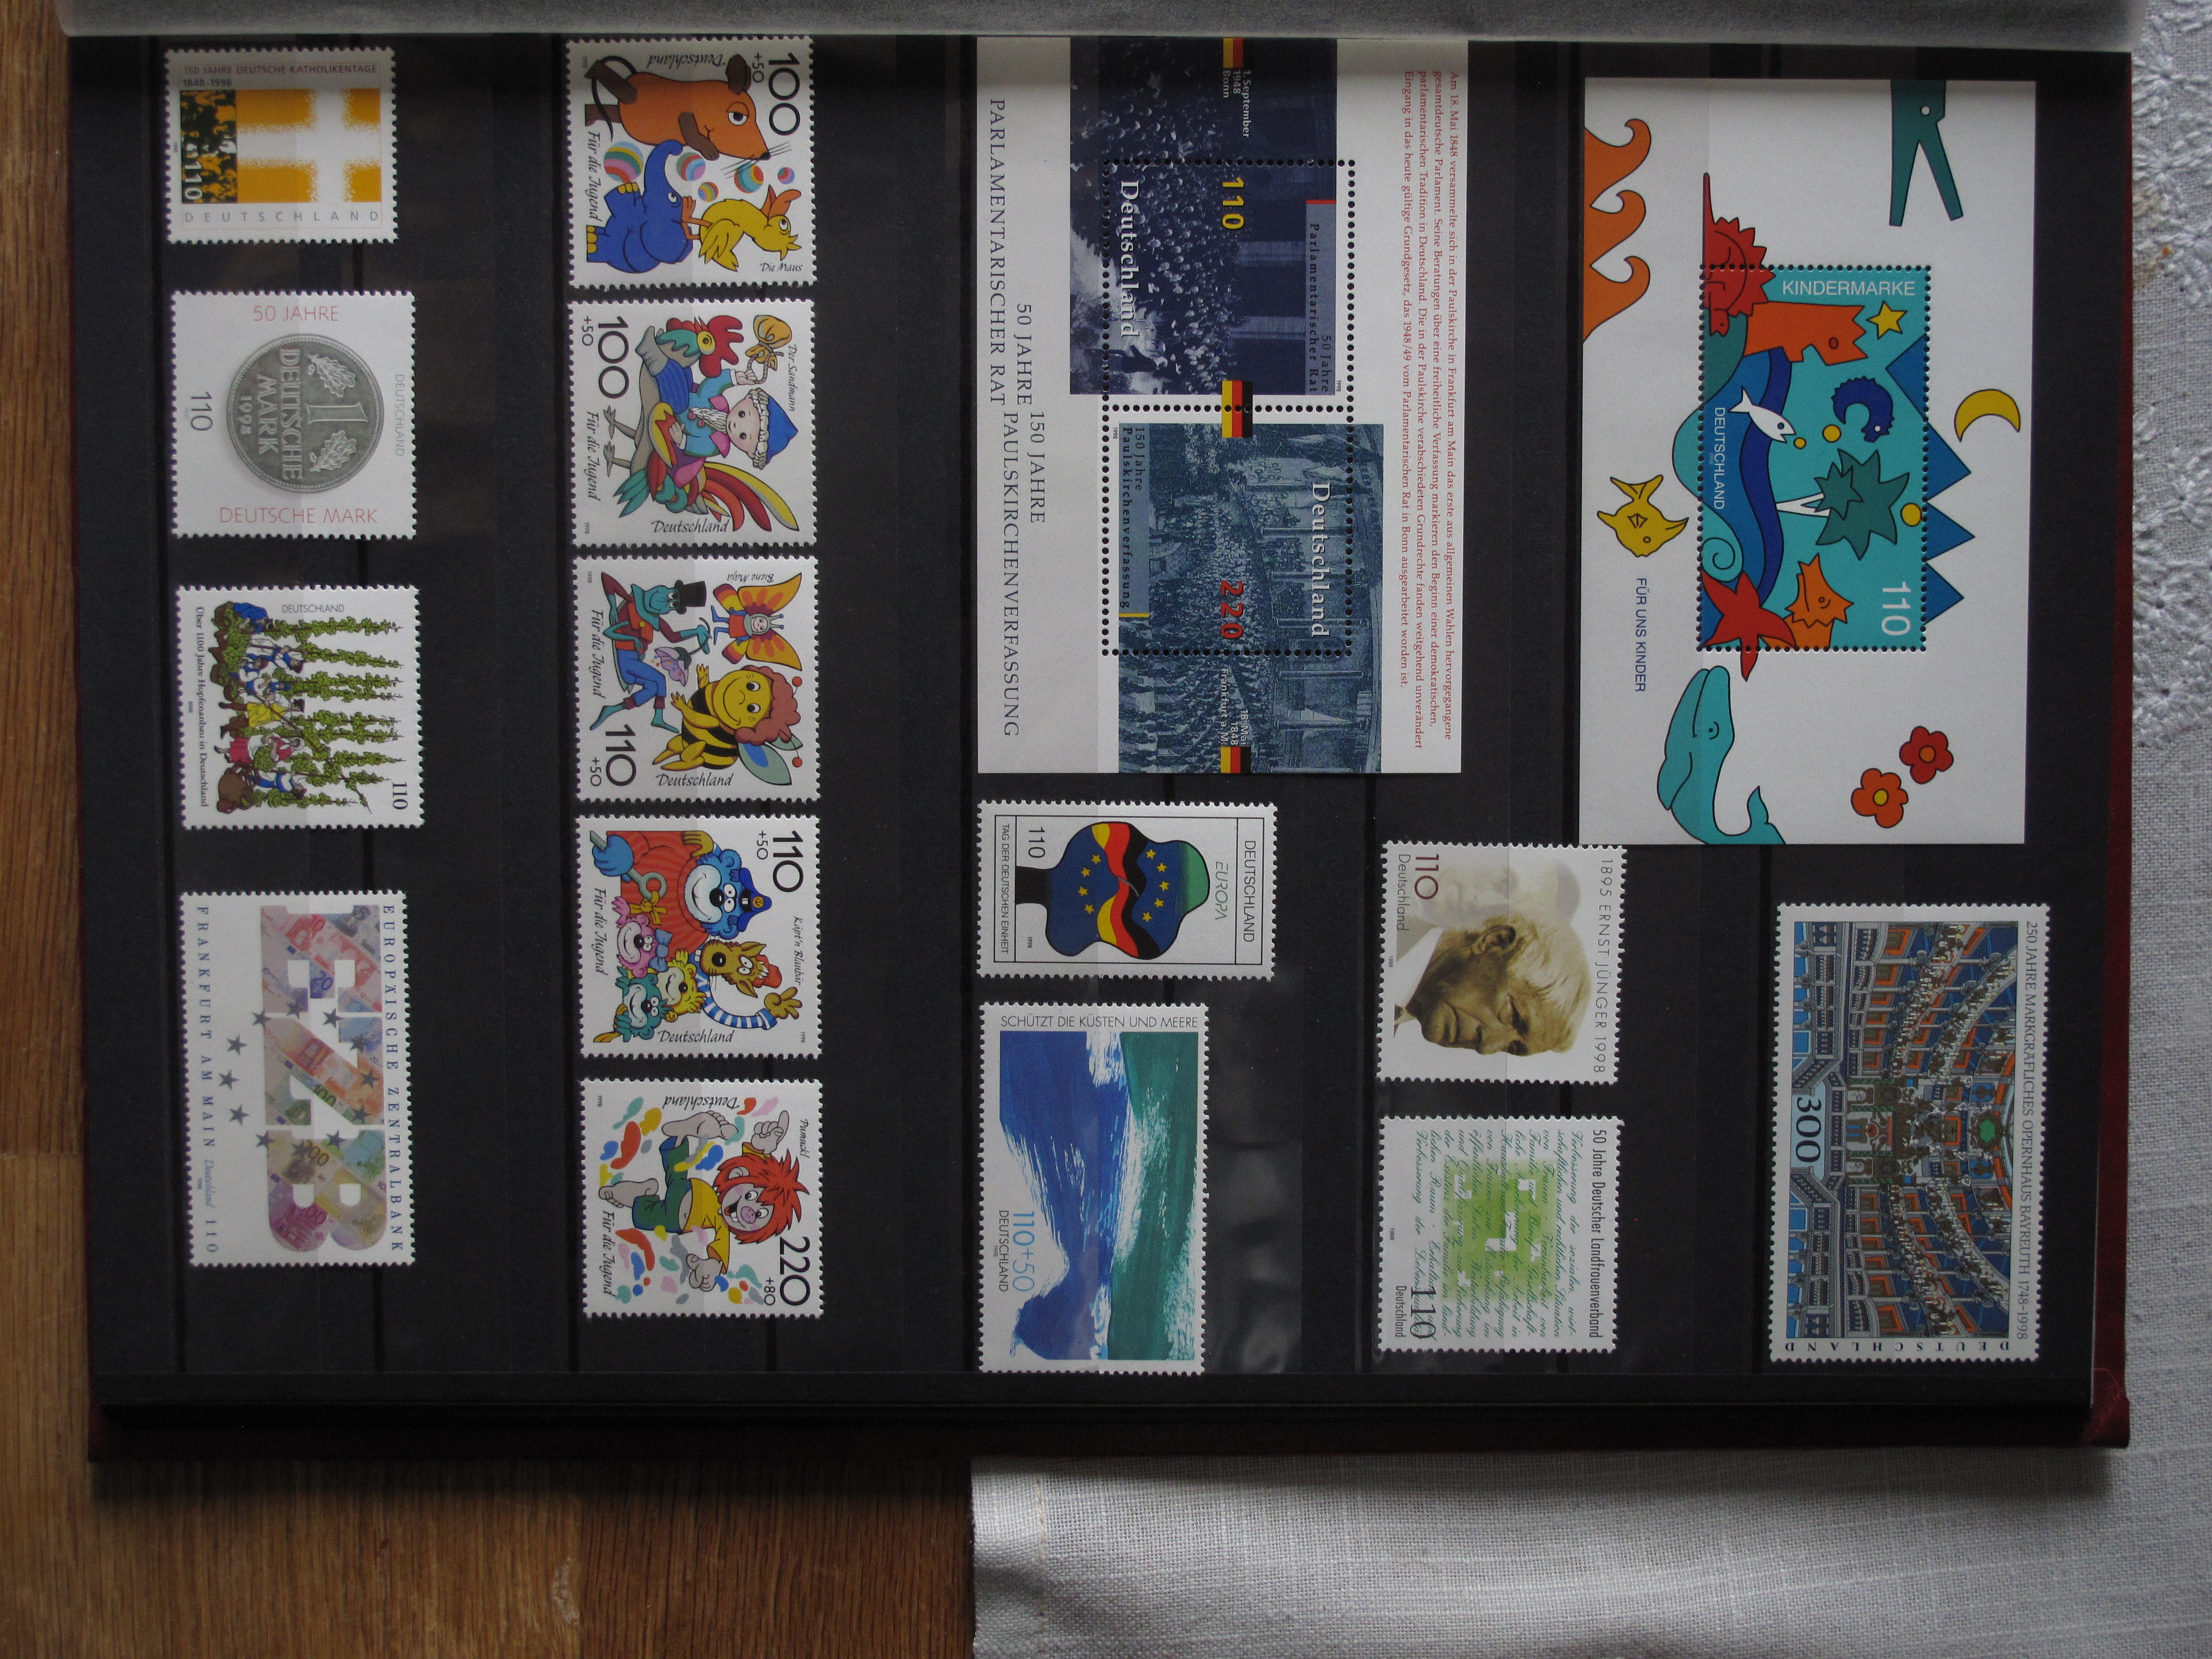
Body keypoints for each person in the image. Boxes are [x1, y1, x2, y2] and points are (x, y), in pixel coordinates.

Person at [1391, 907, 1592, 1058]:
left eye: (1512, 1048)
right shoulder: (1383, 930)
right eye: (1514, 1016)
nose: (1486, 1047)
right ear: (1494, 942)